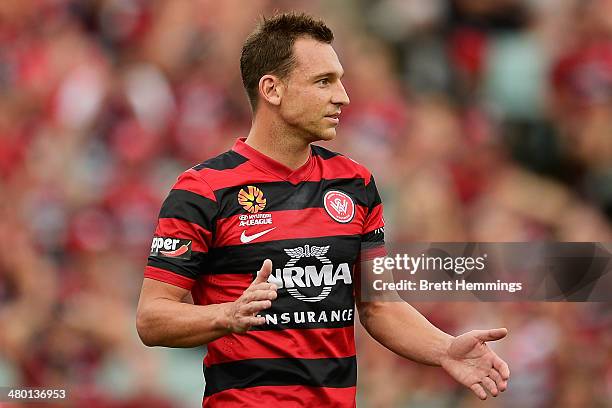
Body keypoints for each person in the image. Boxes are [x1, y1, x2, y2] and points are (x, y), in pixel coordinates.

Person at [136, 12, 510, 407]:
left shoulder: (356, 184)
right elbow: (152, 318)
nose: (343, 96)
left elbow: (379, 305)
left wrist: (444, 349)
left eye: (340, 79)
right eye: (323, 81)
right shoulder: (203, 190)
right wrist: (226, 315)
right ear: (272, 90)